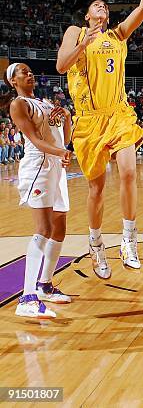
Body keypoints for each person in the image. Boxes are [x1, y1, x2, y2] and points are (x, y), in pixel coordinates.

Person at [56, 0, 143, 279]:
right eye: (95, 5)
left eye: (104, 5)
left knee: (130, 172)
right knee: (96, 188)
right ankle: (96, 245)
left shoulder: (118, 35)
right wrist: (84, 42)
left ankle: (129, 240)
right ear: (87, 15)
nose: (101, 6)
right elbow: (61, 66)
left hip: (118, 113)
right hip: (89, 120)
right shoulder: (76, 33)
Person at [0, 63, 72, 318]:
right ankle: (27, 298)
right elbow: (36, 141)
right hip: (38, 166)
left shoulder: (46, 102)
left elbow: (64, 137)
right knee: (43, 229)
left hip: (55, 165)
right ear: (13, 81)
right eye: (23, 72)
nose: (29, 74)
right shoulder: (19, 104)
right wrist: (60, 152)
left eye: (30, 71)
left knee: (59, 229)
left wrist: (67, 119)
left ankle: (44, 285)